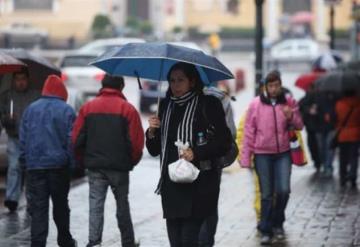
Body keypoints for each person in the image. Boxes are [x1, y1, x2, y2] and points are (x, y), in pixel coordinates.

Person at [146, 62, 232, 247]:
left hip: (199, 185)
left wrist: (197, 153)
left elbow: (224, 142)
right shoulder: (165, 106)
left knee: (189, 240)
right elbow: (154, 150)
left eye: (180, 80)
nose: (175, 85)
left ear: (192, 81)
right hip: (171, 186)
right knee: (176, 241)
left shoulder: (208, 104)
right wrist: (151, 132)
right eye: (172, 81)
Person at [72, 74, 144, 247]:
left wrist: (84, 159)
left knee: (95, 204)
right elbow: (136, 143)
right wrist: (131, 161)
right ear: (121, 87)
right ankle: (127, 242)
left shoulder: (88, 108)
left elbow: (76, 140)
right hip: (119, 167)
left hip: (95, 166)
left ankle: (94, 242)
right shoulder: (128, 109)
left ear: (102, 86)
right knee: (122, 205)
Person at [240, 71, 303, 245]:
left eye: (276, 85)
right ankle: (266, 229)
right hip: (262, 154)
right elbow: (248, 132)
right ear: (265, 87)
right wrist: (246, 157)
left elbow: (299, 125)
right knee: (266, 194)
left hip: (283, 153)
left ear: (280, 84)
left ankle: (278, 222)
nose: (274, 89)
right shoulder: (256, 104)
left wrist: (292, 116)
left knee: (284, 190)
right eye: (270, 86)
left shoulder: (289, 102)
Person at [19, 75, 77, 247]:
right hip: (59, 167)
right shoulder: (67, 110)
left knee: (38, 208)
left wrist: (24, 162)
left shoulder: (31, 109)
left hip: (35, 167)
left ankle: (37, 243)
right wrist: (71, 164)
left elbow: (24, 139)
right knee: (60, 206)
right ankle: (65, 240)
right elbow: (71, 141)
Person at [198, 85, 236, 247]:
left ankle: (202, 241)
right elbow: (231, 133)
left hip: (205, 161)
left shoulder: (219, 99)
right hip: (212, 161)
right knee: (208, 203)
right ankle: (205, 242)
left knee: (199, 204)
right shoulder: (221, 98)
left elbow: (229, 135)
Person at [0, 68, 40, 212]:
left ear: (27, 80)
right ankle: (12, 198)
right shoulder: (7, 96)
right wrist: (7, 119)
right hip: (14, 137)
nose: (20, 82)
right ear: (13, 80)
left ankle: (31, 198)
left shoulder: (35, 96)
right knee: (14, 167)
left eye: (23, 79)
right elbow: (2, 117)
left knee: (30, 169)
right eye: (17, 79)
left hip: (31, 139)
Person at [334, 90, 360, 188]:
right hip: (356, 134)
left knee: (343, 158)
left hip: (343, 135)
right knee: (354, 156)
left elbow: (334, 119)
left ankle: (343, 177)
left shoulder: (339, 104)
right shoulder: (358, 104)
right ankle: (353, 176)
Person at [299, 84, 322, 172]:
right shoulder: (319, 97)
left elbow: (299, 108)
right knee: (316, 145)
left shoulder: (306, 98)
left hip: (311, 126)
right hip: (315, 126)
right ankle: (318, 161)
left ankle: (317, 161)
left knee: (313, 145)